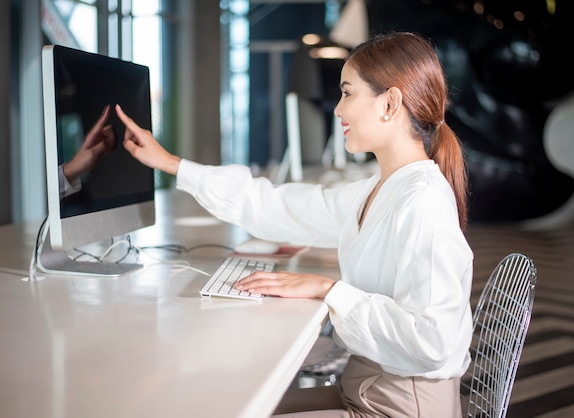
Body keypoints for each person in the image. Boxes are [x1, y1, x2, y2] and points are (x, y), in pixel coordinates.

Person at [116, 31, 473, 418]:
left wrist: (329, 290)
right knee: (228, 404)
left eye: (348, 93)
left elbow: (432, 342)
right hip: (368, 387)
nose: (337, 110)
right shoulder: (382, 187)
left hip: (399, 407)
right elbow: (277, 206)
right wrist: (172, 164)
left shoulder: (422, 201)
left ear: (389, 103)